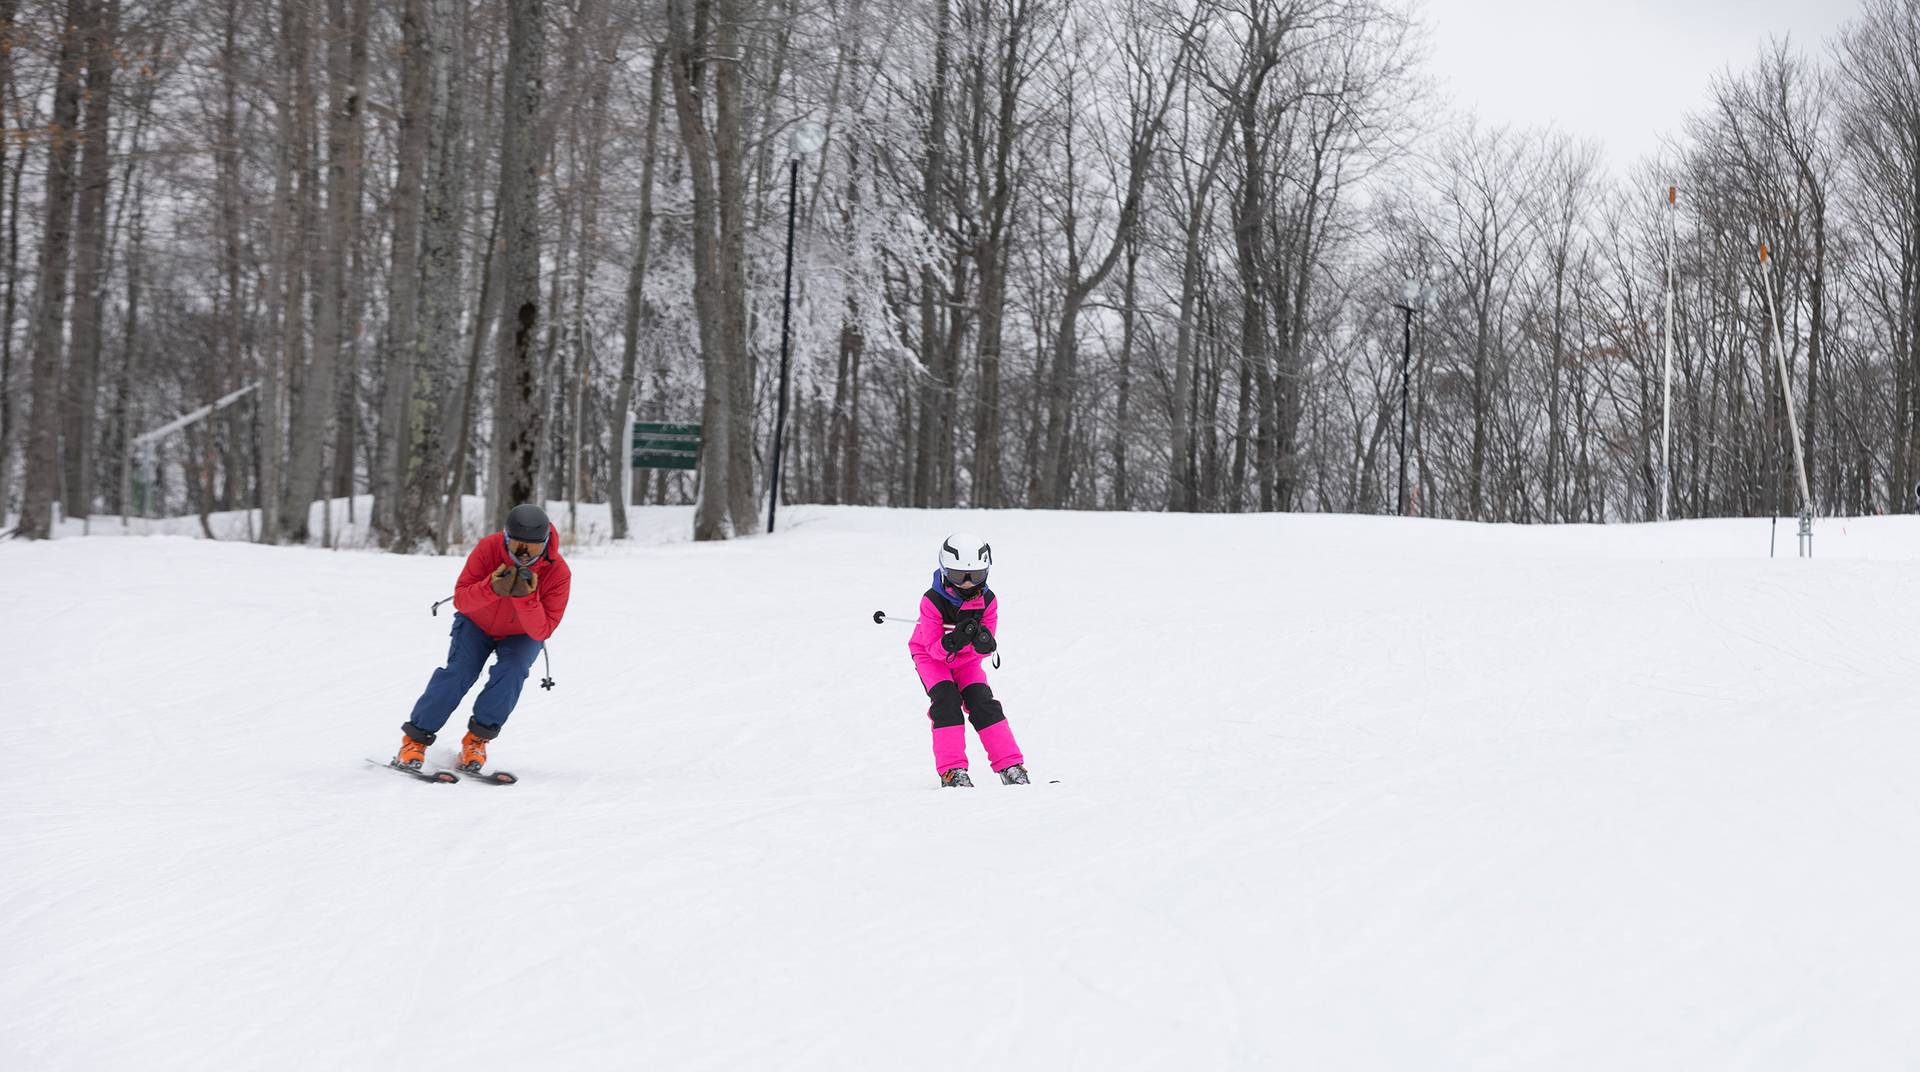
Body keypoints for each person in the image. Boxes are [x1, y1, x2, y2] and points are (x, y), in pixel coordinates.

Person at [392, 503, 571, 774]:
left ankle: (476, 741)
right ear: (506, 539)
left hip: (522, 633)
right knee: (458, 674)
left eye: (532, 549)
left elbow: (542, 630)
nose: (524, 555)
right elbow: (462, 600)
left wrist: (526, 598)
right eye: (517, 547)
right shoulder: (488, 548)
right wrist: (491, 587)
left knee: (512, 673)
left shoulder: (558, 572)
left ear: (545, 544)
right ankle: (414, 741)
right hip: (476, 623)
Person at [907, 532, 1029, 787]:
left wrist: (983, 645)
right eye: (958, 575)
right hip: (932, 658)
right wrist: (952, 641)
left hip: (966, 661)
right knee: (946, 702)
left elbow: (984, 651)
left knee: (983, 703)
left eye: (974, 576)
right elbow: (932, 649)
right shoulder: (932, 601)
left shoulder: (988, 601)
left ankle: (1010, 765)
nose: (966, 583)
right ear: (944, 570)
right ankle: (952, 771)